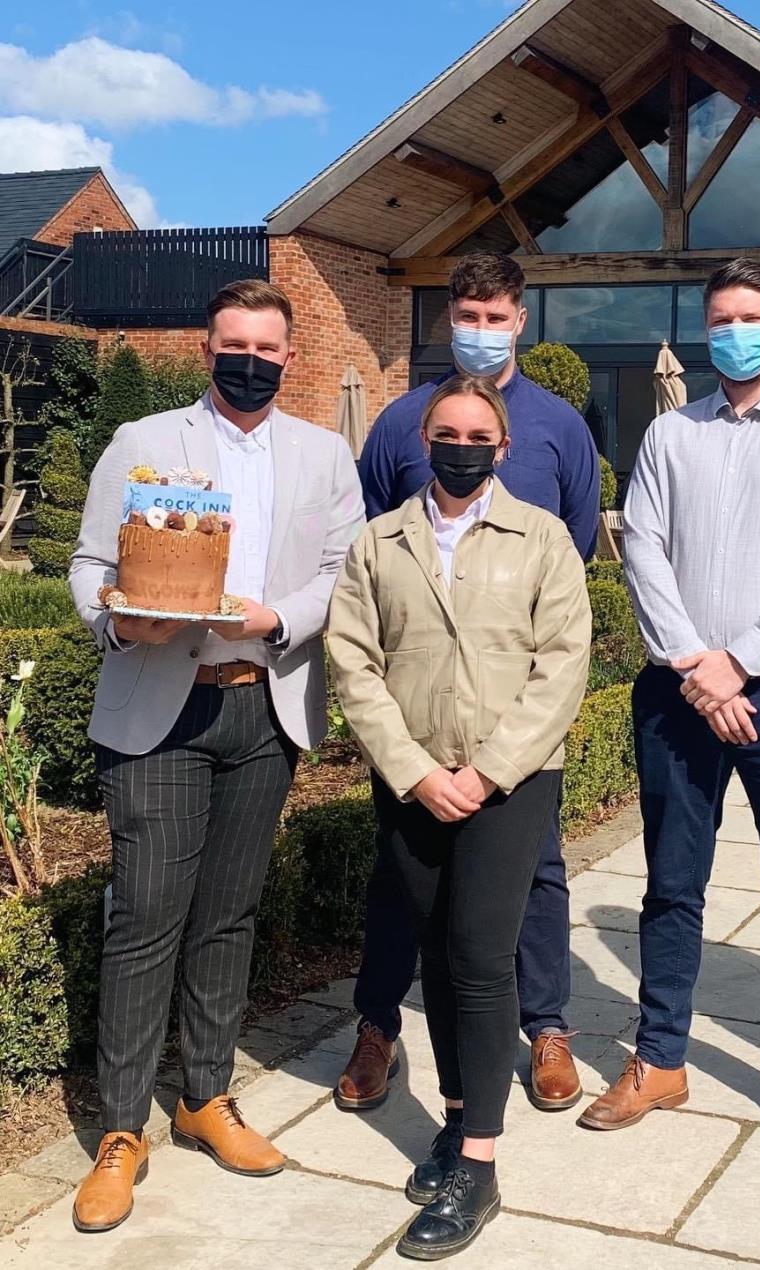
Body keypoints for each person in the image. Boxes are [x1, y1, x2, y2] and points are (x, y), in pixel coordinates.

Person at [66, 280, 364, 1232]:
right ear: (207, 349)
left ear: (288, 357)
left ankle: (203, 1097)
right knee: (145, 919)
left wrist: (282, 619)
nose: (248, 359)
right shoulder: (145, 443)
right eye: (232, 342)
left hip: (263, 707)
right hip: (163, 705)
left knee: (229, 918)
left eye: (265, 348)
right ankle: (121, 1130)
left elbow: (341, 573)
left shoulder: (324, 455)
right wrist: (121, 622)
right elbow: (86, 568)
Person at [578, 259, 760, 1166]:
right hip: (678, 699)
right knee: (671, 885)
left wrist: (736, 664)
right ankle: (661, 1057)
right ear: (706, 331)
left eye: (751, 315)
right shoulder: (671, 436)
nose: (735, 329)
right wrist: (702, 674)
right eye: (720, 317)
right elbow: (642, 549)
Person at [328, 374, 590, 1259]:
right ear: (423, 440)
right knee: (435, 953)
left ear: (503, 448)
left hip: (509, 785)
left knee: (481, 957)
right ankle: (453, 1116)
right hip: (411, 782)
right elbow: (354, 662)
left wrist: (485, 771)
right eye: (448, 431)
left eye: (480, 434)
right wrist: (410, 769)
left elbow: (562, 666)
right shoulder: (379, 542)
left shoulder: (543, 539)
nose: (462, 445)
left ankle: (480, 1162)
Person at [337, 251, 599, 1115]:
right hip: (414, 728)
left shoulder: (561, 427)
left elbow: (575, 560)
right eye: (467, 316)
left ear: (521, 319)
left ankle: (547, 1025)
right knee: (398, 878)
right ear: (448, 318)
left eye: (497, 317)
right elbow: (374, 545)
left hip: (512, 729)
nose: (480, 332)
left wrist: (503, 749)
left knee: (539, 874)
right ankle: (378, 1024)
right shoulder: (400, 423)